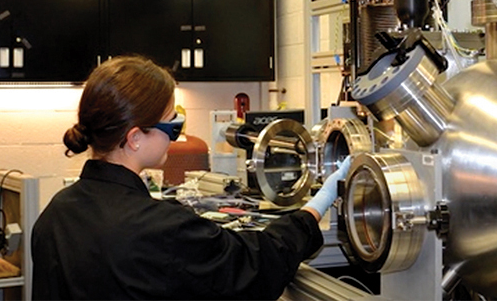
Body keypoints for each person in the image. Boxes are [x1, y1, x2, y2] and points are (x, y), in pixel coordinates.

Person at [31, 55, 351, 300]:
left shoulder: (55, 214)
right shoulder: (161, 228)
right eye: (173, 127)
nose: (175, 137)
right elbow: (252, 265)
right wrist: (316, 207)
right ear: (135, 138)